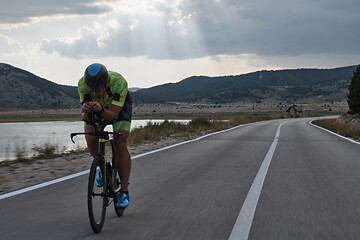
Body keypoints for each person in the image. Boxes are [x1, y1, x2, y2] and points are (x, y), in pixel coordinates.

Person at [78, 63, 132, 209]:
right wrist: (85, 112)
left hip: (119, 110)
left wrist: (101, 110)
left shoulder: (119, 82)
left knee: (120, 141)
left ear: (107, 82)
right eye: (91, 89)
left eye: (98, 89)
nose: (94, 93)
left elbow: (113, 116)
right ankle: (103, 167)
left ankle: (124, 191)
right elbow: (86, 119)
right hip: (99, 108)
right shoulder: (82, 84)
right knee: (90, 137)